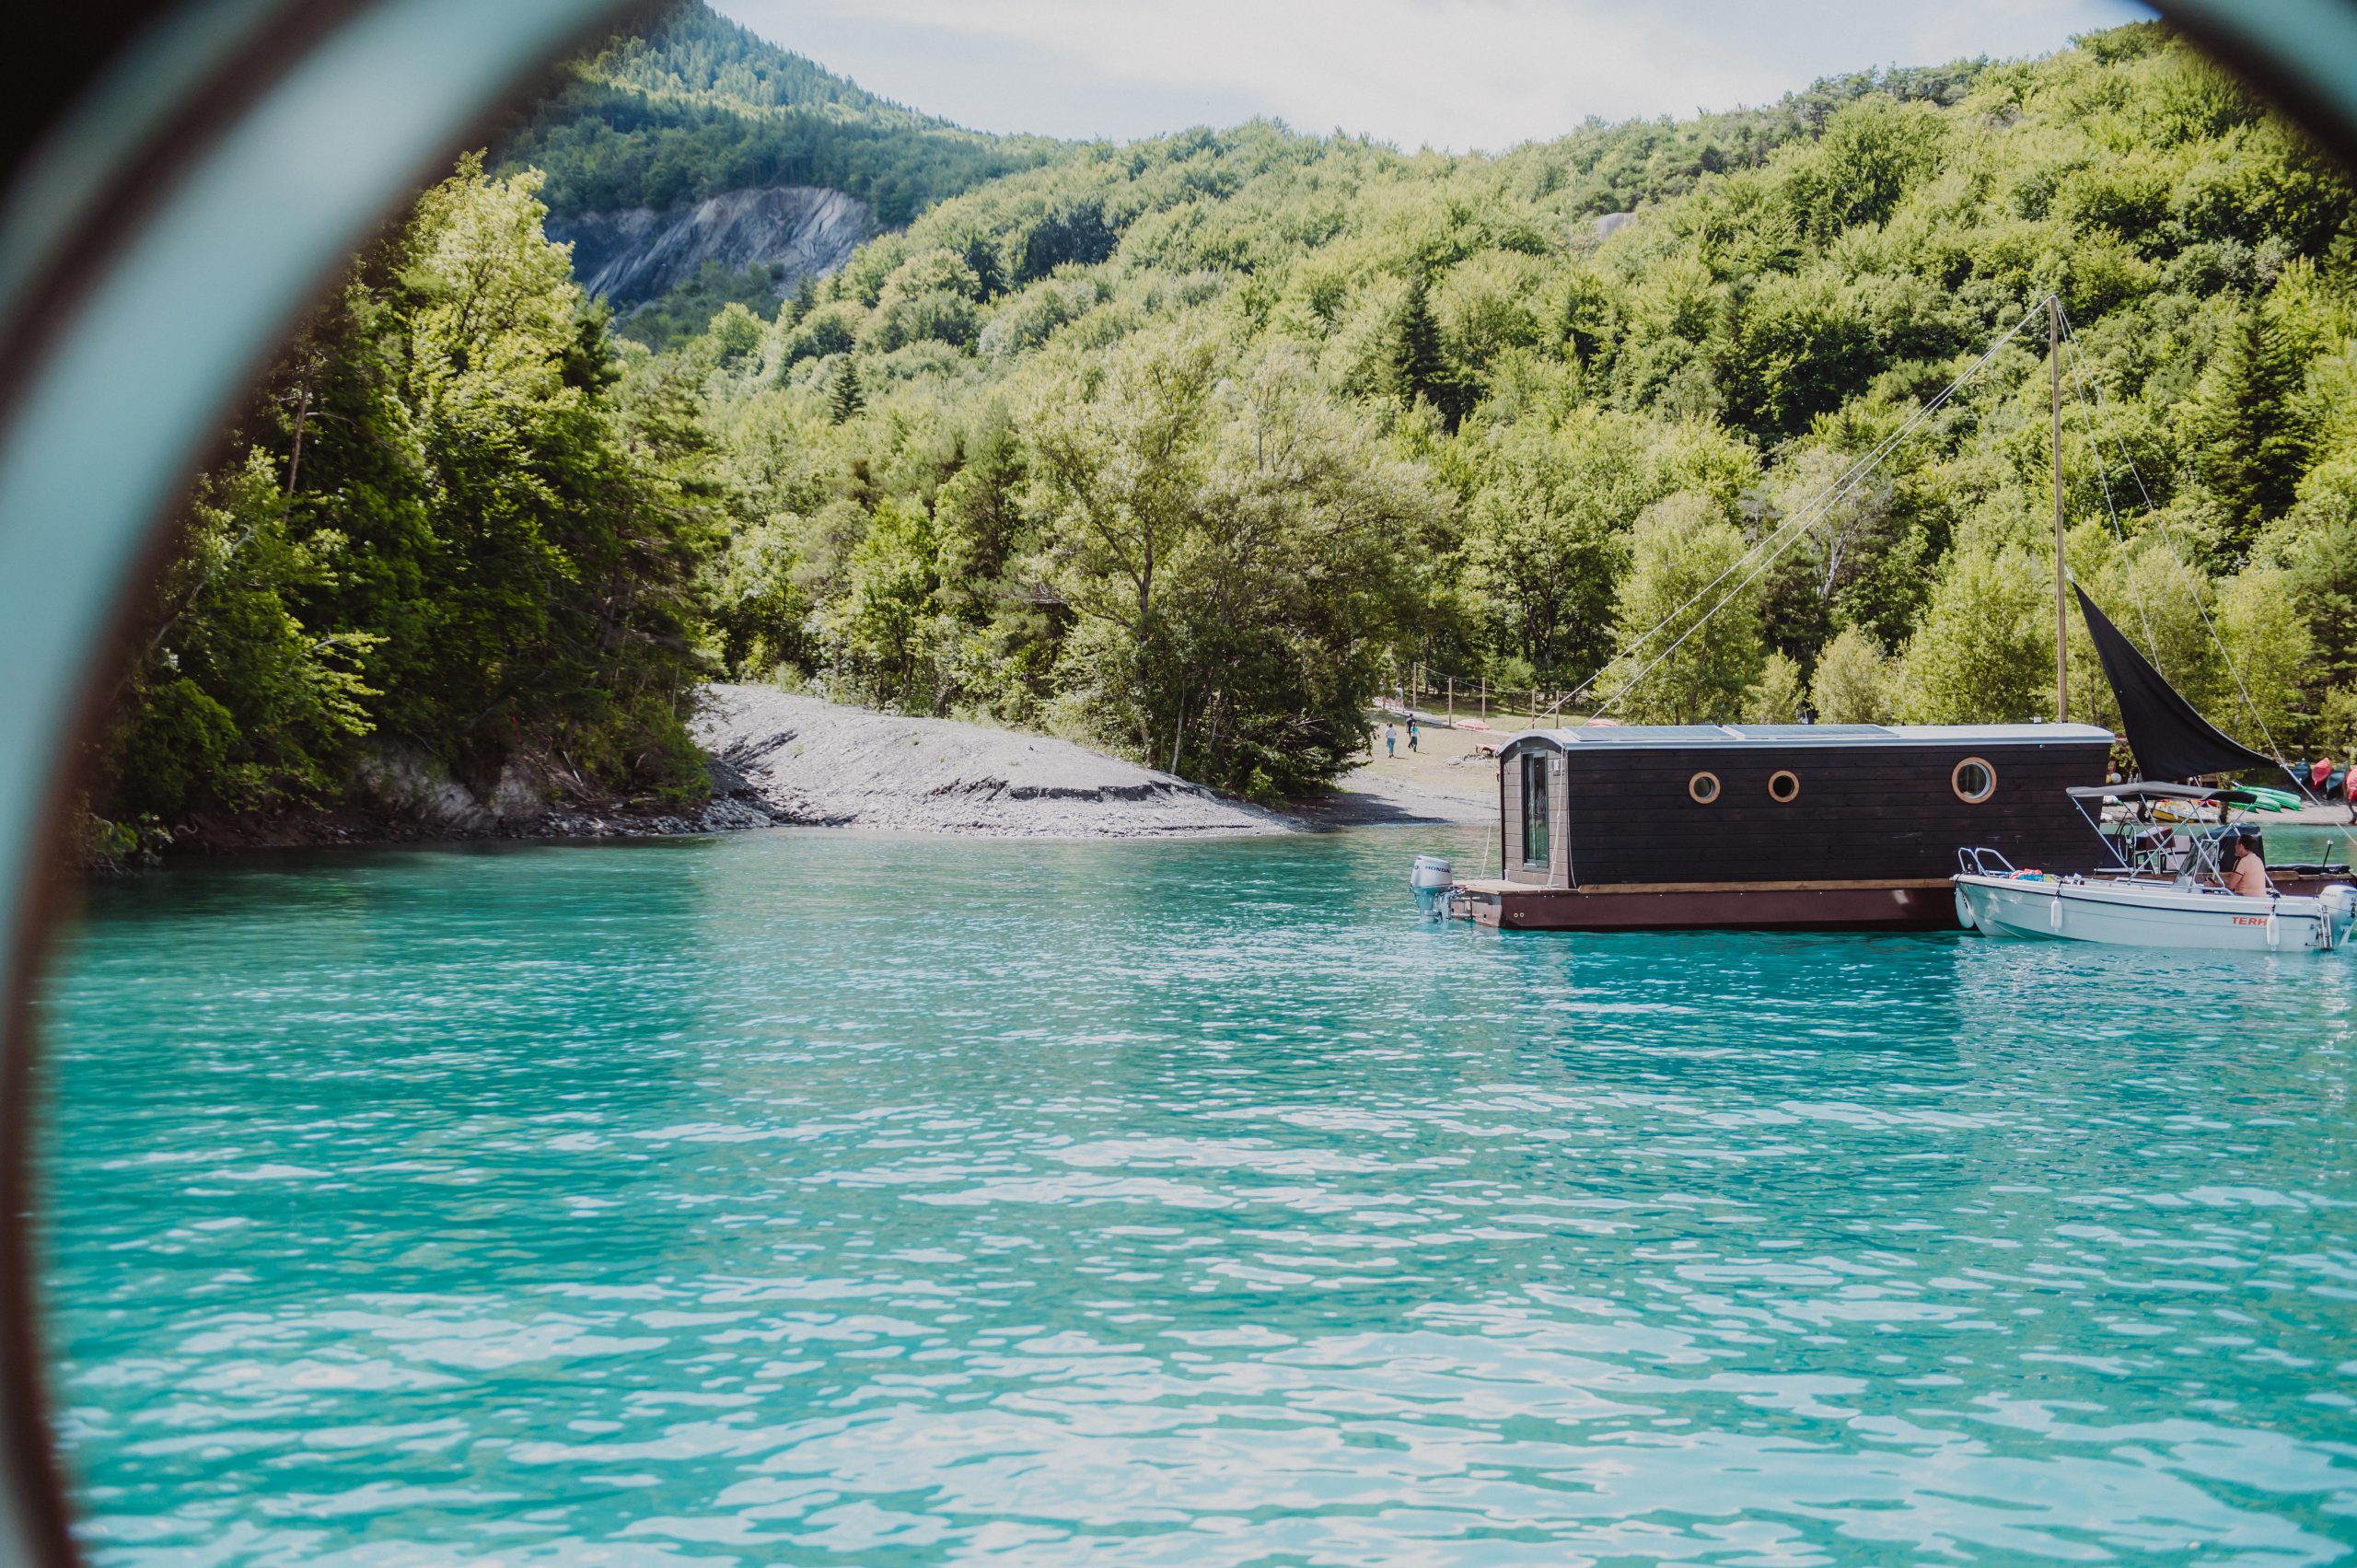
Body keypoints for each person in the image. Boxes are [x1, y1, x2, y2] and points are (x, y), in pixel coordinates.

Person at [2223, 827, 2271, 898]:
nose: (2234, 847)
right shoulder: (2258, 860)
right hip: (2261, 898)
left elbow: (2231, 886)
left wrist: (2215, 884)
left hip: (2246, 899)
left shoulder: (2243, 861)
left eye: (2236, 844)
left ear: (2241, 846)